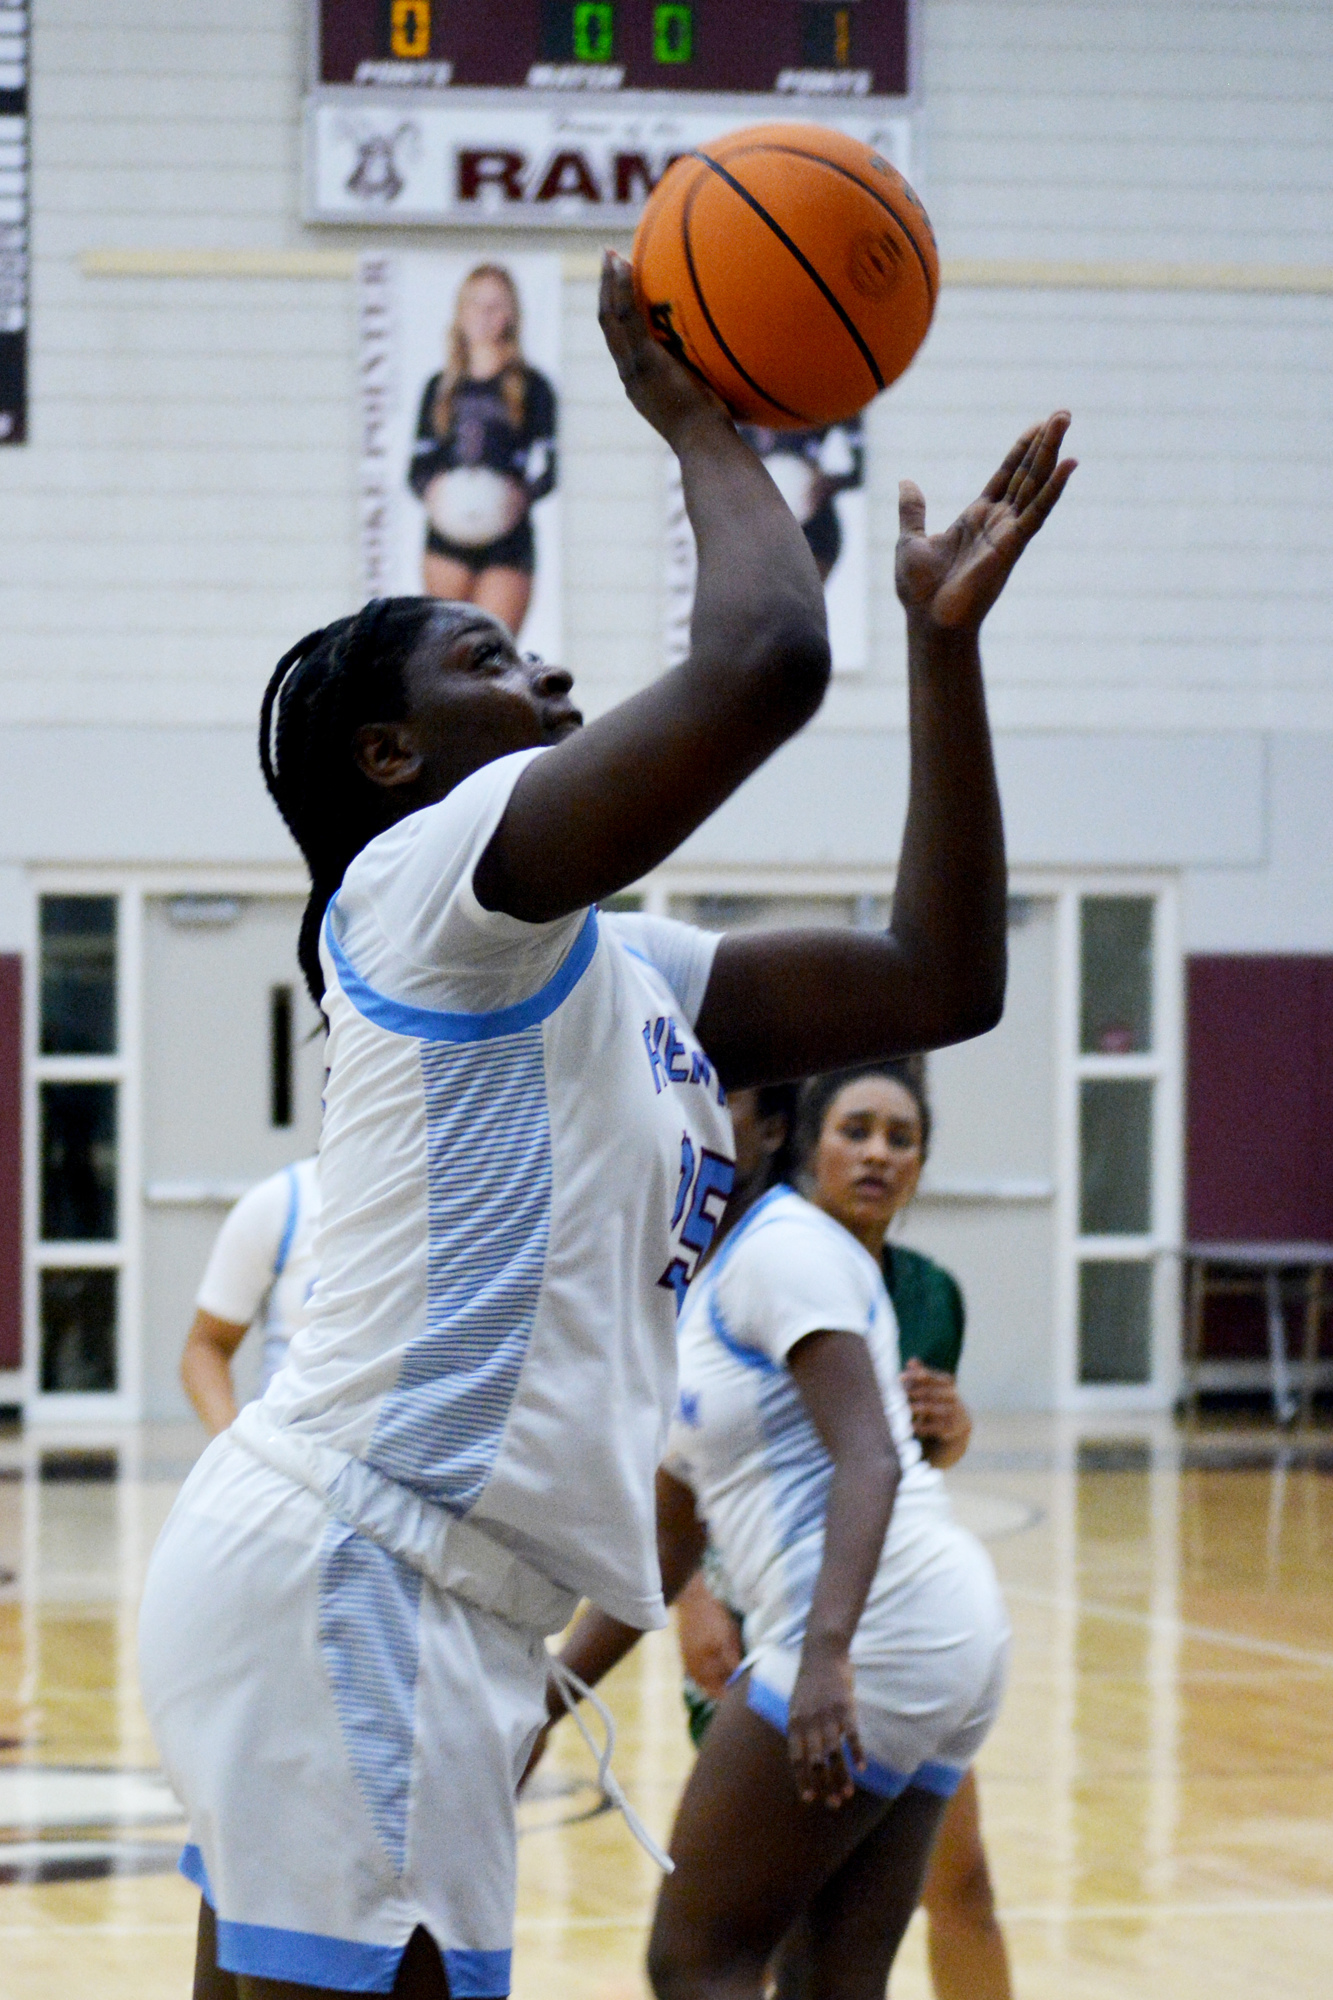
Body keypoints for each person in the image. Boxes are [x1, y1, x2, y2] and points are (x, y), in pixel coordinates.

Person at [137, 247, 1074, 2000]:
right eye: (494, 657)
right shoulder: (425, 882)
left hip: (421, 1593)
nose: (548, 676)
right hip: (362, 1569)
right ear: (392, 760)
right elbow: (764, 656)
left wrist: (939, 655)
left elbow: (937, 977)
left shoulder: (615, 963)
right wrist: (690, 412)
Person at [535, 1065, 1011, 2000]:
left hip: (874, 1632)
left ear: (765, 1136)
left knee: (694, 1960)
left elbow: (871, 1460)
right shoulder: (698, 1281)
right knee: (829, 1975)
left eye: (715, 1113)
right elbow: (665, 1555)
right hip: (924, 1637)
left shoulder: (779, 1250)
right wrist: (543, 1705)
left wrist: (828, 1657)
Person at [408, 264, 557, 637]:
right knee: (446, 657)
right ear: (461, 312)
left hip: (508, 543)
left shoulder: (533, 388)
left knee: (493, 656)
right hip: (447, 541)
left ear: (511, 315)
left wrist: (521, 496)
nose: (485, 316)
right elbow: (417, 468)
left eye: (496, 306)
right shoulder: (439, 389)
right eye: (476, 304)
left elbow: (549, 469)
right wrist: (434, 490)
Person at [180, 1157, 320, 1437]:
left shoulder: (426, 1205)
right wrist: (232, 1445)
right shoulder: (283, 1199)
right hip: (289, 1448)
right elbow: (206, 1347)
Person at [735, 421, 863, 582]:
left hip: (812, 514)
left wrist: (829, 484)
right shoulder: (745, 415)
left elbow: (863, 471)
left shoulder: (825, 409)